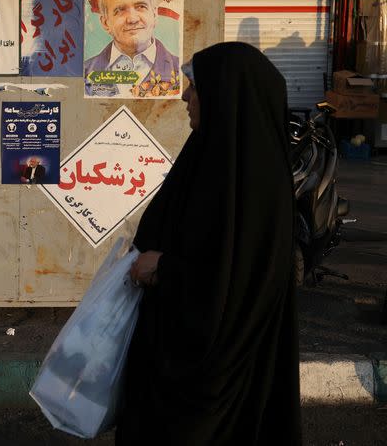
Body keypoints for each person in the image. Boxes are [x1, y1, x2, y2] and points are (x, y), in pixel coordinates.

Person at [117, 42, 300, 444]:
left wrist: (164, 268)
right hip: (170, 352)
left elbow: (241, 284)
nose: (185, 95)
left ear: (226, 93)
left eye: (195, 86)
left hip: (218, 376)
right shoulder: (205, 154)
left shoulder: (259, 183)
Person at [84, 0, 179, 97]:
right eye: (120, 10)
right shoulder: (84, 75)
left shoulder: (181, 72)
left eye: (141, 7)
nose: (132, 19)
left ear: (155, 15)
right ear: (105, 23)